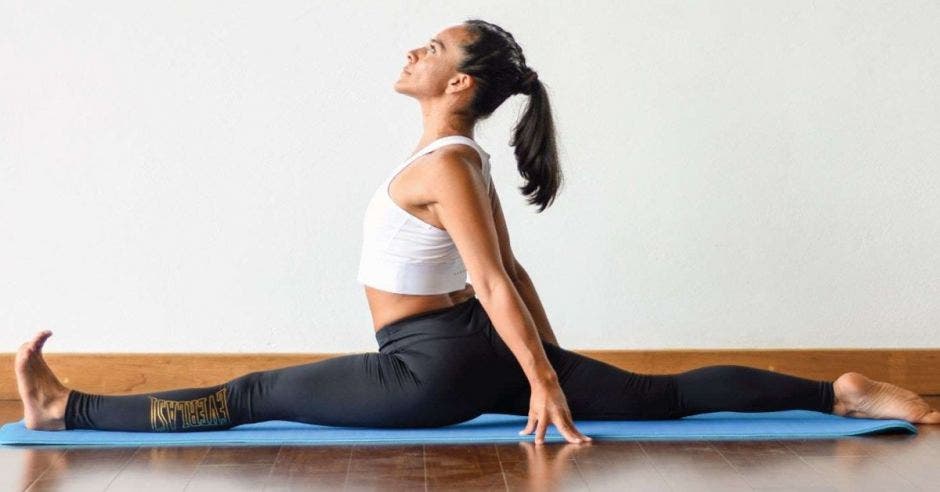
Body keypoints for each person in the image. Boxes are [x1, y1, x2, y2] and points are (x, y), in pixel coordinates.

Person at [14, 19, 940, 445]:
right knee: (660, 398)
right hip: (471, 348)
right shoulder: (454, 162)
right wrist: (545, 360)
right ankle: (838, 394)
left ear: (460, 84)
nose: (415, 47)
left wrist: (542, 379)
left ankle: (68, 412)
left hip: (431, 364)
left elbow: (493, 279)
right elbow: (508, 275)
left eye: (436, 46)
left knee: (254, 395)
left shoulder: (450, 162)